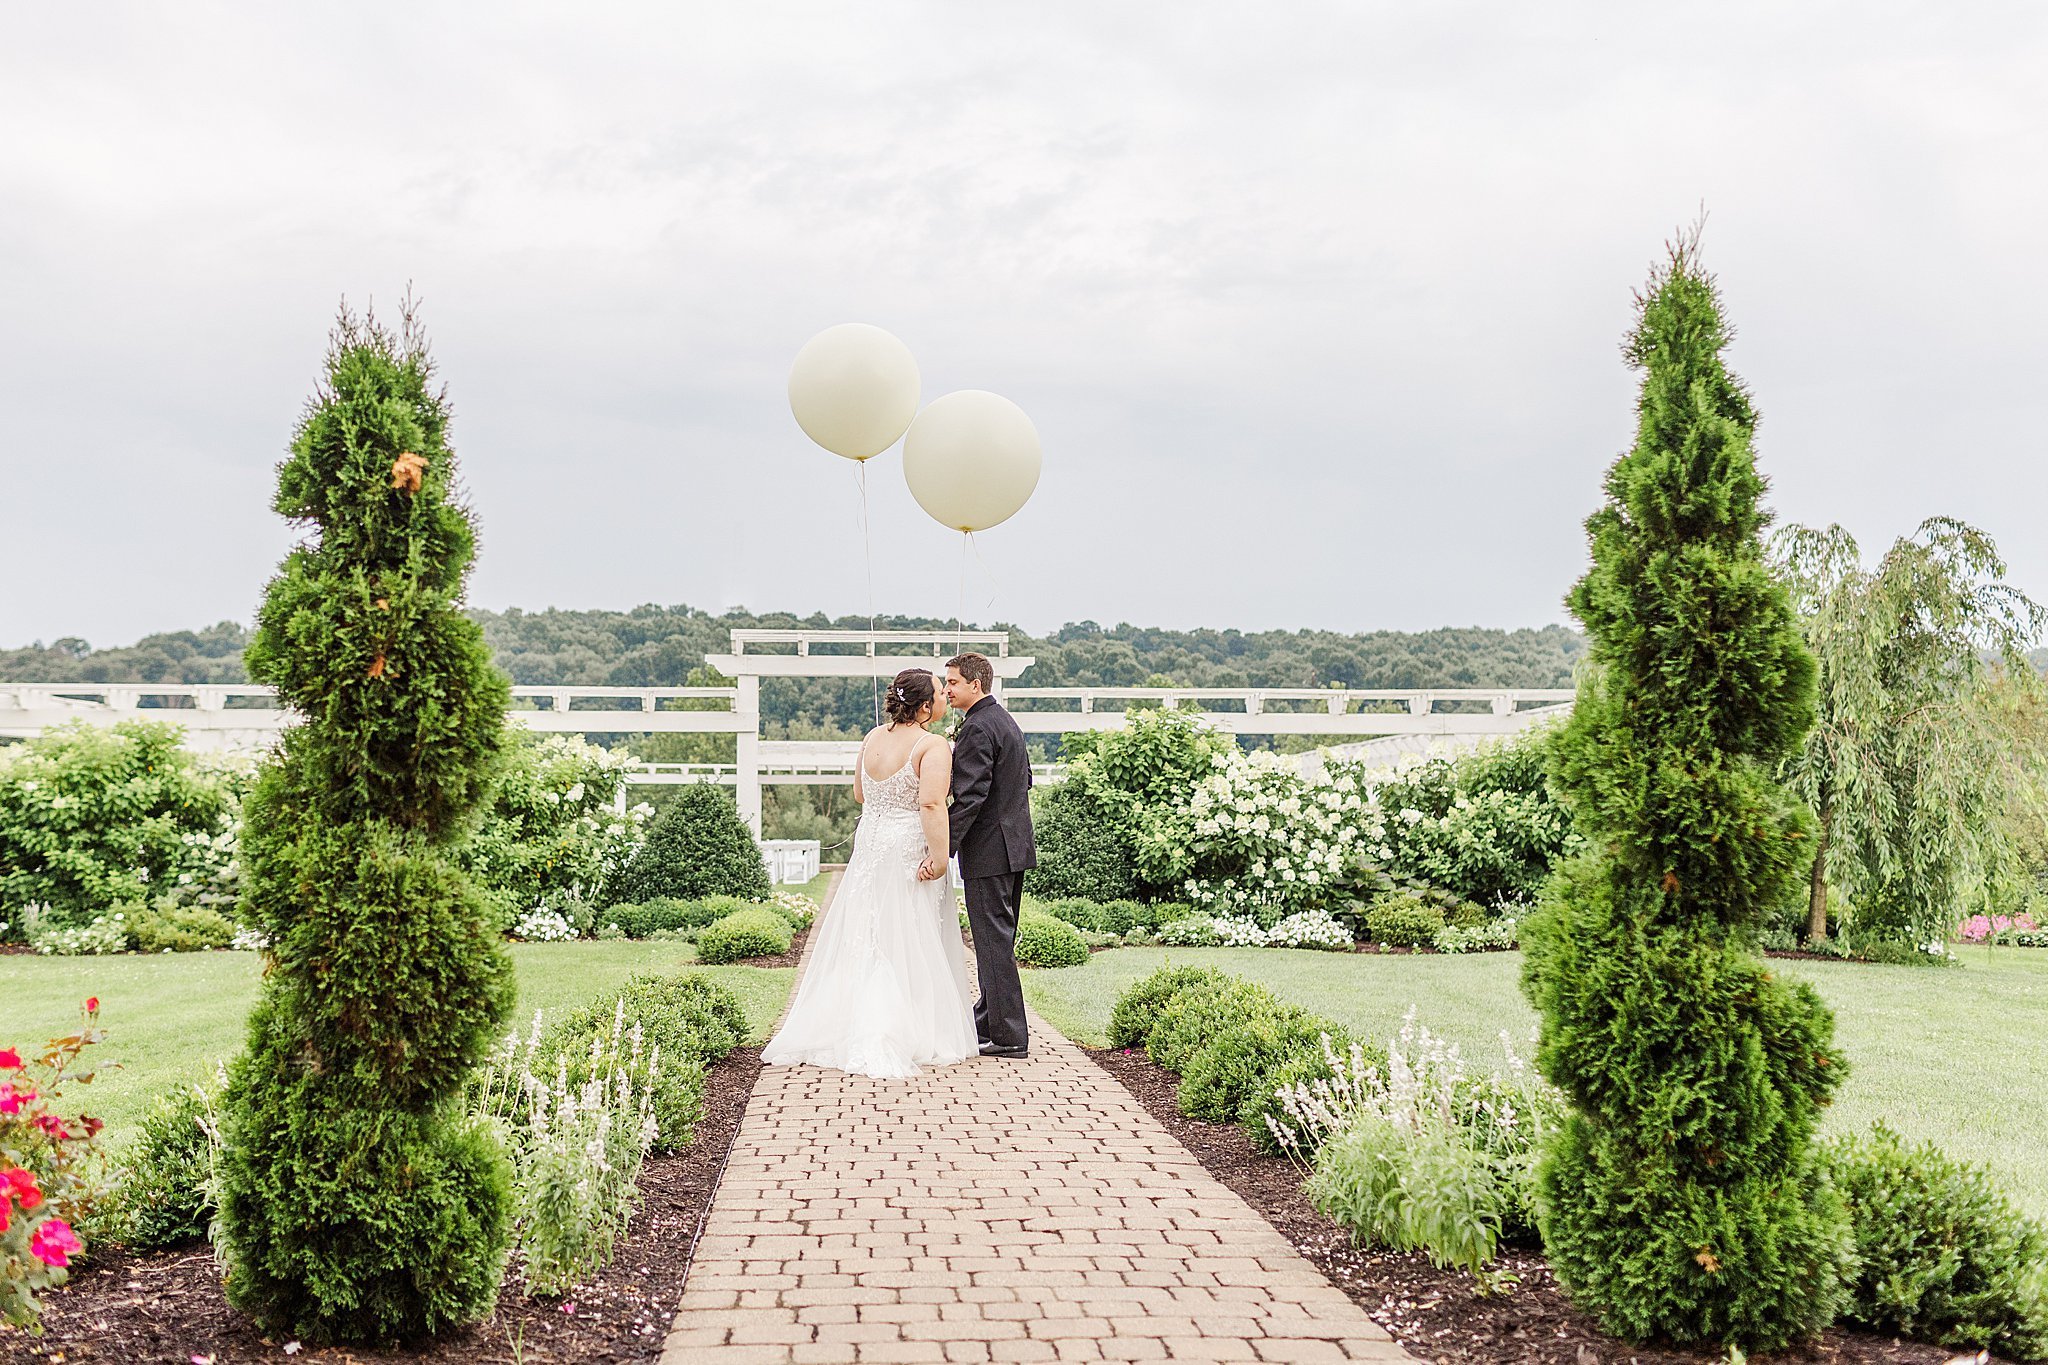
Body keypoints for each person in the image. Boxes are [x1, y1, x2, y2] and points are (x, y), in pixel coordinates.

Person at [762, 667, 977, 1078]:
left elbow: (859, 793)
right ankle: (903, 1028)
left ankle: (850, 1020)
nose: (945, 699)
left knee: (869, 930)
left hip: (871, 842)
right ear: (925, 705)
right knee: (910, 931)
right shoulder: (931, 746)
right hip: (906, 845)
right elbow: (931, 806)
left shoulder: (872, 737)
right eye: (939, 693)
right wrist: (939, 855)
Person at [919, 651, 1037, 1059]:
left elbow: (970, 798)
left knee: (992, 944)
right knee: (995, 941)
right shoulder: (1003, 721)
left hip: (990, 851)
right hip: (1014, 846)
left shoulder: (977, 729)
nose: (946, 690)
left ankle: (1008, 1037)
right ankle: (988, 1020)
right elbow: (1024, 779)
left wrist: (941, 848)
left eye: (952, 683)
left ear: (975, 684)